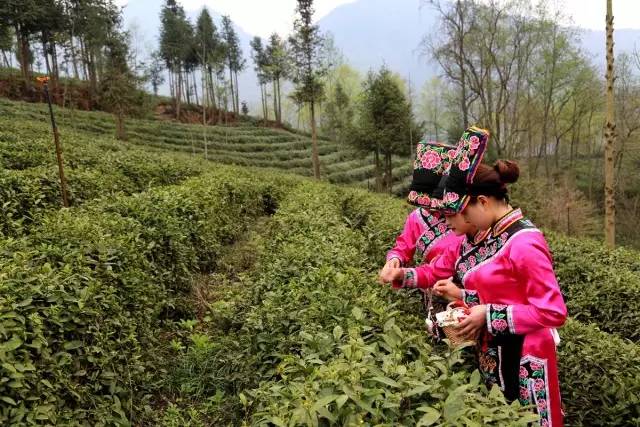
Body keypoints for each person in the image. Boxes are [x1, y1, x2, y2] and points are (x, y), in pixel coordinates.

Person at [382, 127, 567, 427]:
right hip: (494, 350)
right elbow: (498, 292)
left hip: (523, 356)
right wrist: (463, 298)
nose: (461, 222)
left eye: (463, 214)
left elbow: (552, 311)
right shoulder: (486, 235)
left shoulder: (525, 242)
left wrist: (487, 314)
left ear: (482, 202)